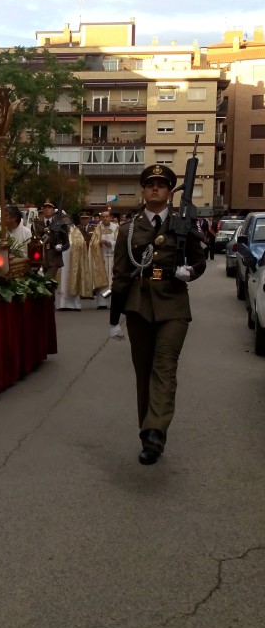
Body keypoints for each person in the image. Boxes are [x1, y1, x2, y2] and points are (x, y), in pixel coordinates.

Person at [109, 164, 206, 465]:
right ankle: (148, 433)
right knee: (144, 372)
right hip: (139, 306)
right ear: (143, 190)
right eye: (150, 184)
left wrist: (190, 272)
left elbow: (200, 260)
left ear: (169, 192)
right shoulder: (128, 229)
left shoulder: (183, 224)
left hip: (173, 305)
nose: (155, 188)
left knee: (164, 367)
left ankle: (155, 432)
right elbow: (120, 276)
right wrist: (114, 320)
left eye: (161, 185)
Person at [55, 216, 92, 310]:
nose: (65, 221)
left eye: (66, 219)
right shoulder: (58, 231)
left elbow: (81, 243)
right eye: (63, 219)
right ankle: (62, 304)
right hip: (61, 258)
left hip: (73, 260)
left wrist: (73, 246)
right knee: (62, 279)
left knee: (73, 279)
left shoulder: (76, 232)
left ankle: (74, 304)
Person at [32, 201, 70, 279]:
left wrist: (61, 248)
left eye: (49, 207)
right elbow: (33, 240)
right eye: (45, 207)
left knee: (48, 280)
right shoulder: (36, 224)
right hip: (40, 258)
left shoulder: (60, 224)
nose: (47, 209)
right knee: (44, 282)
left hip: (54, 257)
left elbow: (67, 243)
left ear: (53, 210)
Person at [89, 209, 119, 308]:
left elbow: (120, 242)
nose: (105, 218)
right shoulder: (98, 229)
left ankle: (112, 302)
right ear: (101, 218)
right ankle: (102, 303)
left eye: (107, 216)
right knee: (103, 279)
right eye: (103, 217)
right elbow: (92, 243)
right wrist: (99, 243)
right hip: (101, 258)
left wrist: (112, 244)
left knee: (112, 280)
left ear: (111, 217)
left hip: (113, 257)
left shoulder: (116, 228)